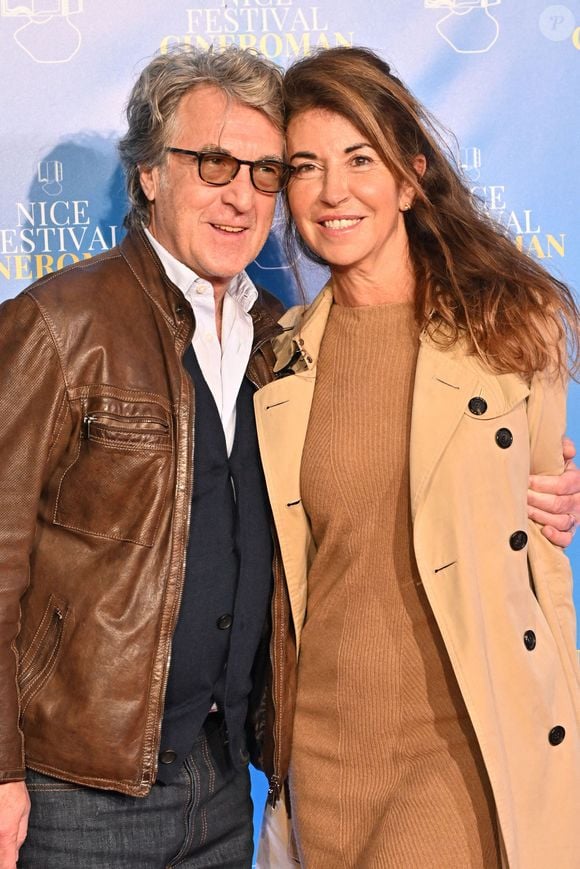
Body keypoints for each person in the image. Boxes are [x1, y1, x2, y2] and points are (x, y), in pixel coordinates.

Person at [255, 46, 580, 868]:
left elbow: (546, 549)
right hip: (324, 761)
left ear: (409, 176)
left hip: (463, 748)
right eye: (306, 166)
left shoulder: (511, 327)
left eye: (360, 159)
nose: (334, 191)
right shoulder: (276, 360)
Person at [0, 45, 290, 869]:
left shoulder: (282, 335)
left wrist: (524, 468)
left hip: (228, 784)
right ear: (151, 175)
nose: (241, 196)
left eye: (265, 172)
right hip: (74, 793)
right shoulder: (59, 324)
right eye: (214, 163)